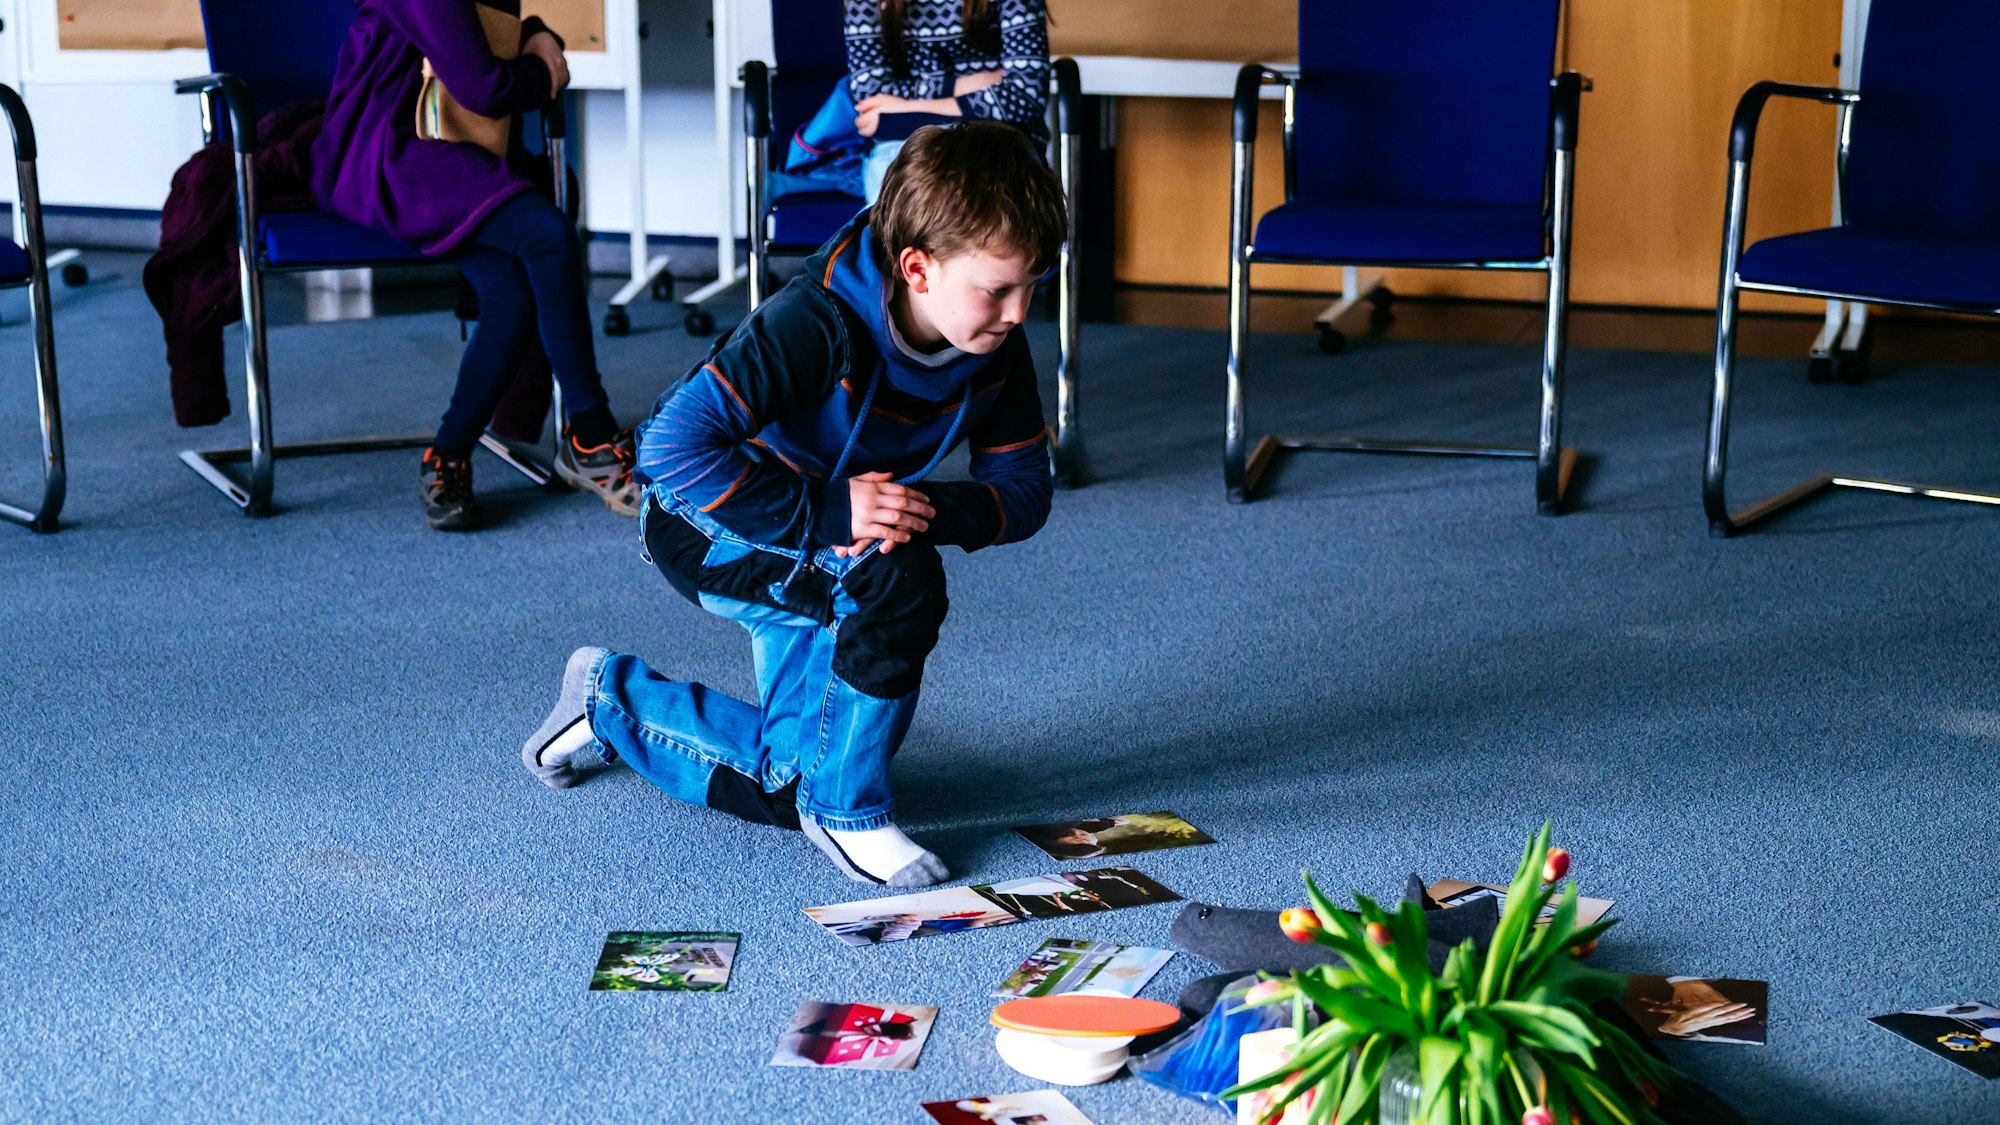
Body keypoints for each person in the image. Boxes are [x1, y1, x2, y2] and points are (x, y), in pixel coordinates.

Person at [520, 123, 1064, 888]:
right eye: (998, 288)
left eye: (1032, 284)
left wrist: (903, 509)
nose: (1018, 312)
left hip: (824, 533)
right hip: (708, 522)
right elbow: (668, 451)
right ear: (917, 267)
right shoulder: (816, 322)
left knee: (785, 786)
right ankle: (848, 813)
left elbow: (1024, 494)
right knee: (899, 579)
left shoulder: (995, 345)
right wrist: (836, 514)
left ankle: (608, 700)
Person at [314, 0, 640, 530]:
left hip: (445, 145)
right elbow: (484, 86)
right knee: (546, 234)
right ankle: (590, 436)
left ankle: (447, 453)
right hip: (390, 149)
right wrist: (545, 65)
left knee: (510, 296)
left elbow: (488, 32)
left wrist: (535, 34)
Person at [845, 0, 1051, 202]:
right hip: (905, 144)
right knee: (901, 200)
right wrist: (979, 82)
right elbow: (870, 95)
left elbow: (1025, 97)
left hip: (998, 140)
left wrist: (905, 110)